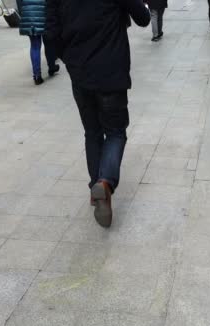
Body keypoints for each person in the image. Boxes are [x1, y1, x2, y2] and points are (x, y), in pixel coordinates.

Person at [46, 0, 150, 228]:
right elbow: (143, 18)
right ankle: (104, 183)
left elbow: (50, 31)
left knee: (92, 132)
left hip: (80, 73)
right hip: (111, 71)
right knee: (115, 132)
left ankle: (97, 191)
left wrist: (69, 60)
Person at [17, 0, 59, 85]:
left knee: (35, 46)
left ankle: (37, 75)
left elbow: (19, 2)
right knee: (49, 42)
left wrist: (23, 13)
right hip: (45, 12)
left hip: (28, 13)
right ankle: (51, 67)